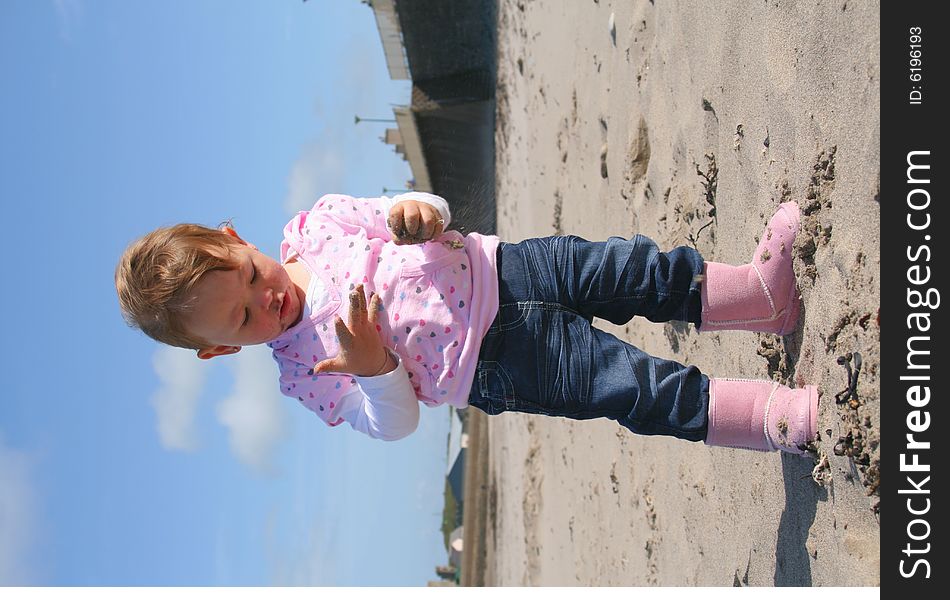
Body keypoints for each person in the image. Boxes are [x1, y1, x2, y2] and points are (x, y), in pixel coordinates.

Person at [115, 192, 818, 455]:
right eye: (242, 317)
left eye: (247, 274)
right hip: (496, 365)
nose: (263, 299)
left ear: (235, 236)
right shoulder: (305, 374)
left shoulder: (317, 223)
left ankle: (760, 297)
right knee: (634, 387)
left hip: (511, 268)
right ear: (220, 348)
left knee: (638, 270)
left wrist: (423, 215)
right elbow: (393, 426)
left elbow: (414, 209)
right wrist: (374, 370)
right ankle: (772, 422)